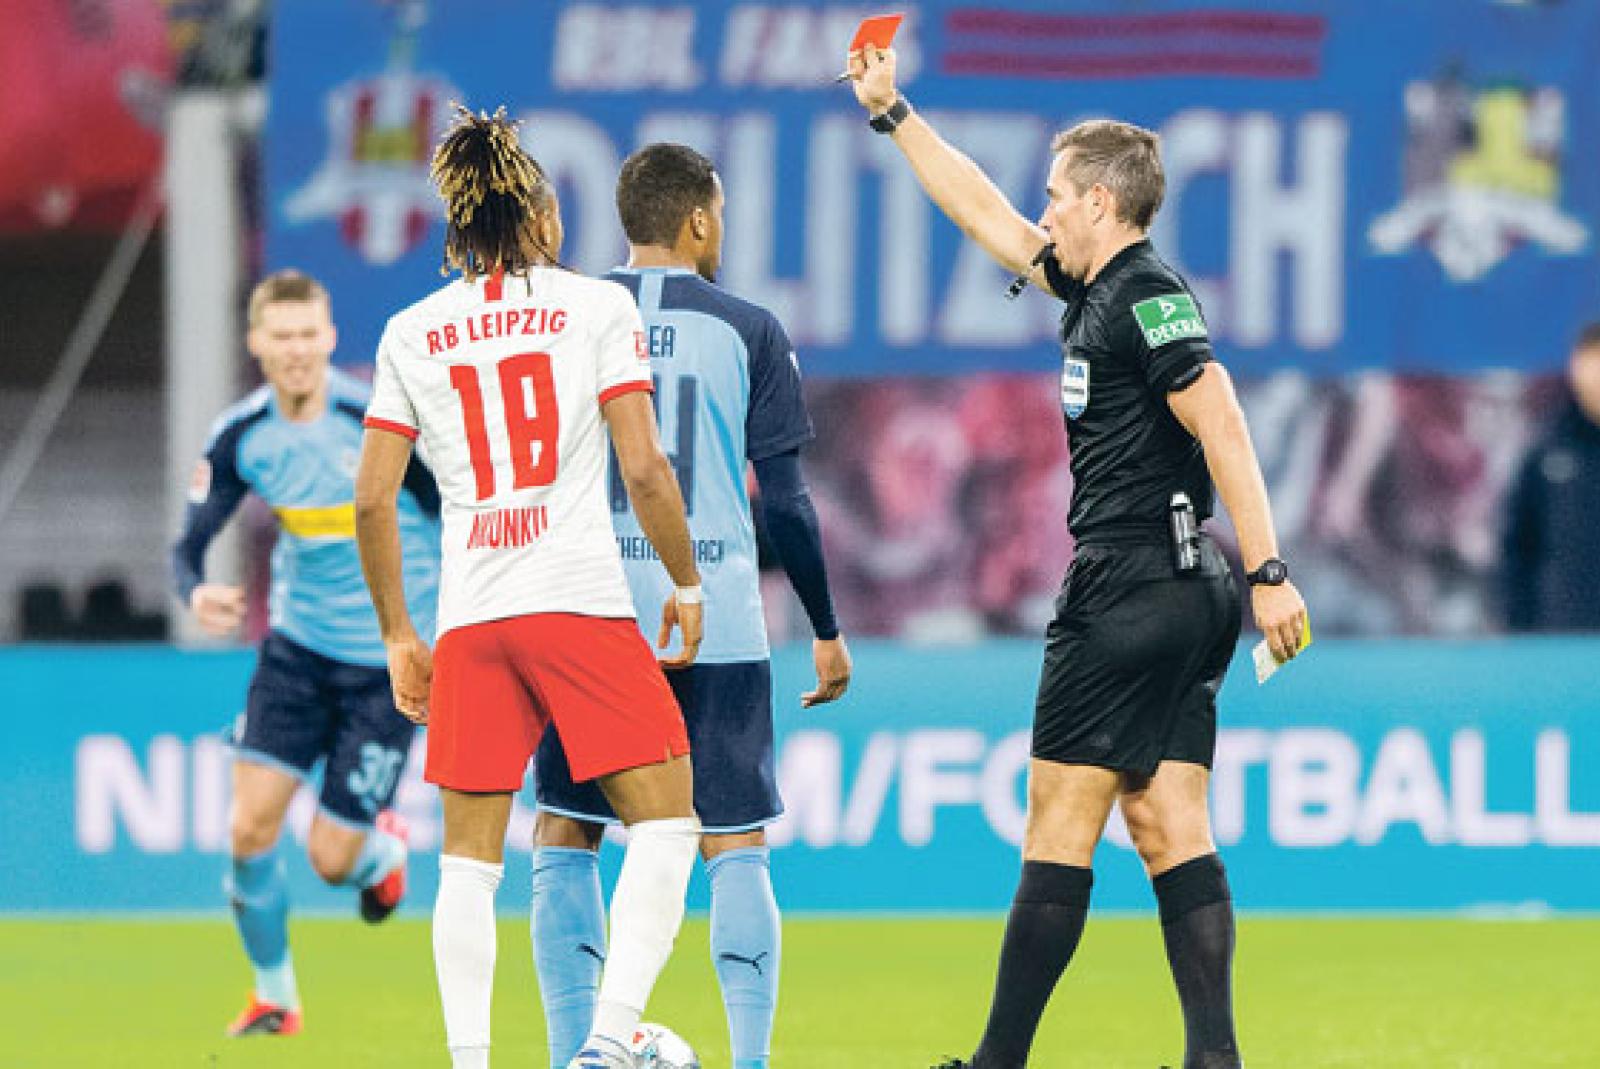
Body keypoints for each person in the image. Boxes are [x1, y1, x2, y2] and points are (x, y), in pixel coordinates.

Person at [845, 47, 1309, 1069]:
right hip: (1186, 590)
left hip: (1128, 584)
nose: (1044, 211)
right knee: (1169, 821)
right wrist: (893, 114)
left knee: (1058, 821)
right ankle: (1215, 1058)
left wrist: (1272, 570)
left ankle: (997, 1062)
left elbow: (1223, 420)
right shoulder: (1099, 286)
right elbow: (987, 216)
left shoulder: (1144, 296)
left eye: (1057, 195)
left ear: (1101, 201)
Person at [354, 106, 705, 1069]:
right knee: (668, 825)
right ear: (545, 216)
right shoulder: (598, 308)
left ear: (460, 224)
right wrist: (686, 581)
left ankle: (470, 1059)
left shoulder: (411, 332)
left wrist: (398, 636)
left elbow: (373, 499)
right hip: (577, 601)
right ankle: (607, 1041)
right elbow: (644, 468)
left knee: (467, 867)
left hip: (472, 617)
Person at [528, 142, 852, 1069]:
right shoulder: (749, 329)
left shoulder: (567, 318)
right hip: (712, 618)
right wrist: (826, 628)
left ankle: (572, 1053)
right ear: (700, 220)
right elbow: (786, 503)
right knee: (732, 840)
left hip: (588, 612)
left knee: (568, 827)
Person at [171, 268, 442, 1037]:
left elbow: (453, 513)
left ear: (329, 338)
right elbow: (188, 544)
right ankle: (276, 997)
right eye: (280, 336)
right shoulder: (241, 436)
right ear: (256, 343)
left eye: (306, 335)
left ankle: (380, 855)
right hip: (295, 655)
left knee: (330, 858)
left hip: (386, 666)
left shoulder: (379, 421)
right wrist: (196, 590)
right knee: (248, 831)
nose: (295, 350)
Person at [1502, 322, 1600, 631]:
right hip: (1562, 633)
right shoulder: (1548, 446)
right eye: (1590, 364)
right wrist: (1520, 625)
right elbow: (1518, 545)